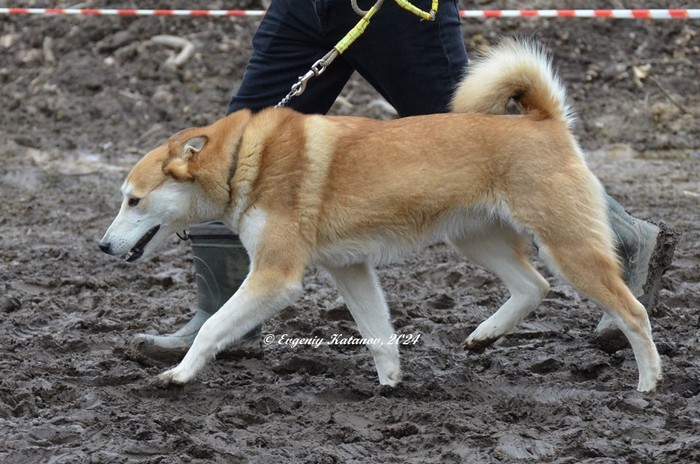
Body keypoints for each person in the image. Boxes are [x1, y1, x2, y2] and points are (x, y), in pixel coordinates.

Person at [134, 0, 675, 357]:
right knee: (229, 154)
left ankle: (622, 240)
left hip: (398, 11)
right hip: (304, 9)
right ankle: (221, 314)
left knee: (474, 135)